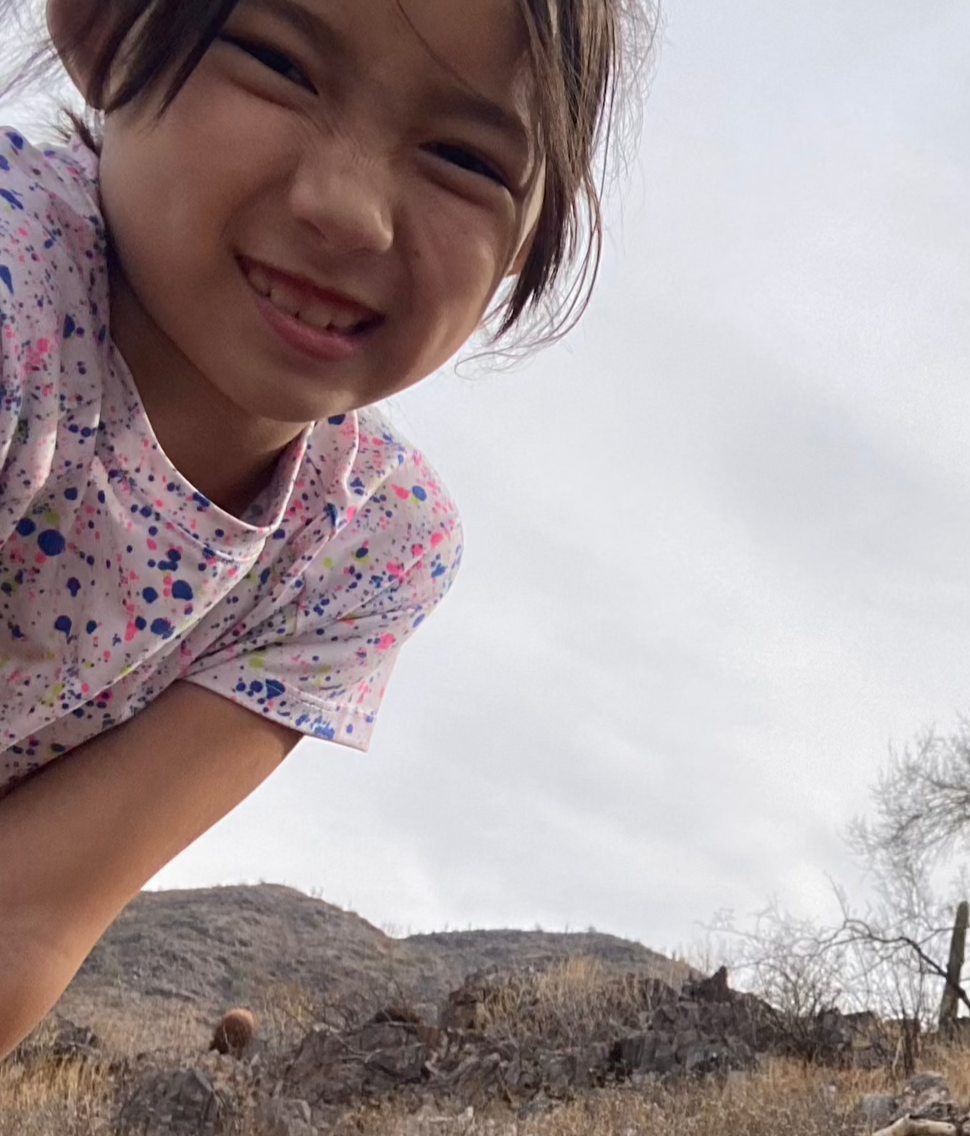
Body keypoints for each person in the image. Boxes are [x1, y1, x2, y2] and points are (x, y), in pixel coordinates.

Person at [0, 0, 640, 1059]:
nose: (349, 209)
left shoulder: (365, 546)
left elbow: (26, 916)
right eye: (276, 62)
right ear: (101, 28)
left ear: (531, 245)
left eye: (465, 159)